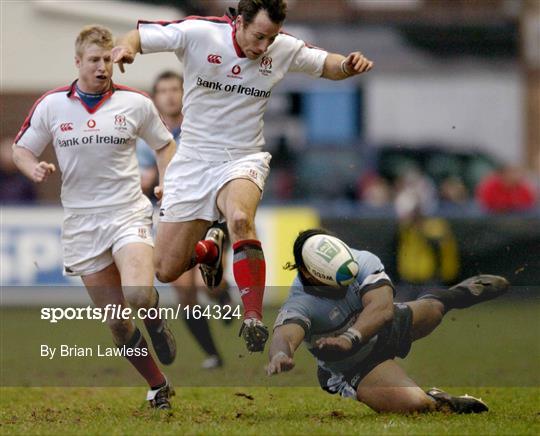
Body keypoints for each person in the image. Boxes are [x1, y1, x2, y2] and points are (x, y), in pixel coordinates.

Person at [112, 0, 374, 352]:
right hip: (191, 162)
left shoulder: (281, 48)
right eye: (259, 36)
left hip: (243, 158)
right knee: (166, 270)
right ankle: (208, 251)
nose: (264, 46)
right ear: (238, 21)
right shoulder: (200, 33)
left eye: (272, 37)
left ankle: (252, 317)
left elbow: (326, 64)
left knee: (239, 218)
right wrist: (126, 49)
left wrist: (348, 64)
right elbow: (139, 36)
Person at [12, 25, 177, 409]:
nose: (103, 67)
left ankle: (154, 319)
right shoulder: (52, 105)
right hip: (83, 223)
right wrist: (32, 168)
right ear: (78, 62)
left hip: (127, 212)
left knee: (137, 294)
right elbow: (22, 150)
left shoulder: (135, 103)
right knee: (118, 323)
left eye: (107, 59)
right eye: (94, 60)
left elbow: (165, 146)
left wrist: (166, 184)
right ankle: (157, 385)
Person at [267, 229, 510, 414]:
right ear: (310, 275)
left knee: (433, 312)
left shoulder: (361, 260)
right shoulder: (301, 301)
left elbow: (382, 309)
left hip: (383, 327)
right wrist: (280, 355)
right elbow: (285, 335)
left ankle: (459, 294)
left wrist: (348, 338)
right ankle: (437, 398)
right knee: (416, 405)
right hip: (356, 366)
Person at [137, 71, 232, 369]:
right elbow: (141, 181)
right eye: (162, 90)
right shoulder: (147, 139)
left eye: (174, 89)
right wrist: (149, 179)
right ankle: (212, 354)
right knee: (184, 289)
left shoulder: (200, 128)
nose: (169, 95)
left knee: (208, 286)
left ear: (184, 92)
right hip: (171, 218)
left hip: (207, 214)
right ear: (155, 98)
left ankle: (223, 297)